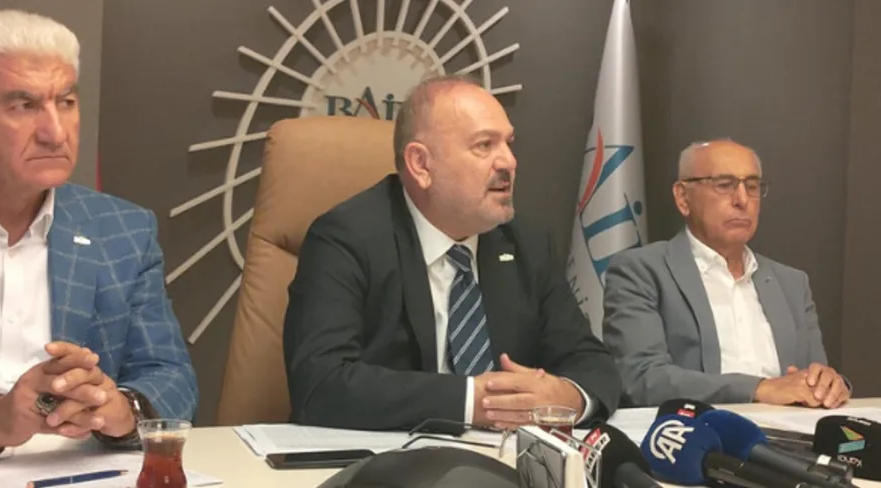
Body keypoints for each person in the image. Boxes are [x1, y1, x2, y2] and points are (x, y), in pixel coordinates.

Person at [0, 10, 197, 461]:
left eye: (66, 102)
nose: (55, 132)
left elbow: (171, 376)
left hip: (78, 472)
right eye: (24, 106)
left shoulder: (123, 229)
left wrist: (119, 409)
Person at [283, 74, 621, 433]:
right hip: (390, 458)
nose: (509, 162)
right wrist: (474, 401)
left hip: (504, 458)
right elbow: (319, 383)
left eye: (508, 143)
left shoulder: (525, 243)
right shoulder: (347, 238)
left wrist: (565, 396)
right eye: (484, 146)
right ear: (421, 165)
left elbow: (591, 361)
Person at [602, 140, 850, 408]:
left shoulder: (792, 283)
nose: (742, 200)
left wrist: (829, 385)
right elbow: (642, 379)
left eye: (752, 186)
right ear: (683, 198)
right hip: (696, 431)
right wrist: (758, 388)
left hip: (790, 432)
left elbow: (812, 378)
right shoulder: (641, 271)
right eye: (724, 185)